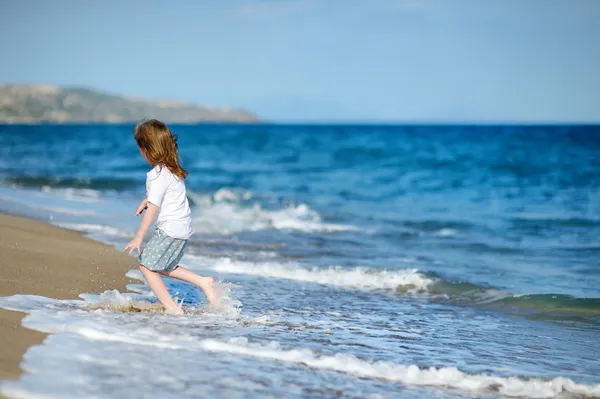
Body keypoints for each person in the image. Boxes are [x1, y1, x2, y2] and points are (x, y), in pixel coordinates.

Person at [124, 119, 217, 314]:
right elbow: (164, 196)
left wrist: (139, 235)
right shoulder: (172, 170)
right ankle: (203, 281)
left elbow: (155, 208)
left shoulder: (156, 175)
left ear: (146, 150)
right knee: (163, 264)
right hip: (182, 229)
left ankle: (172, 308)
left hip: (170, 229)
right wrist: (147, 199)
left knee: (146, 265)